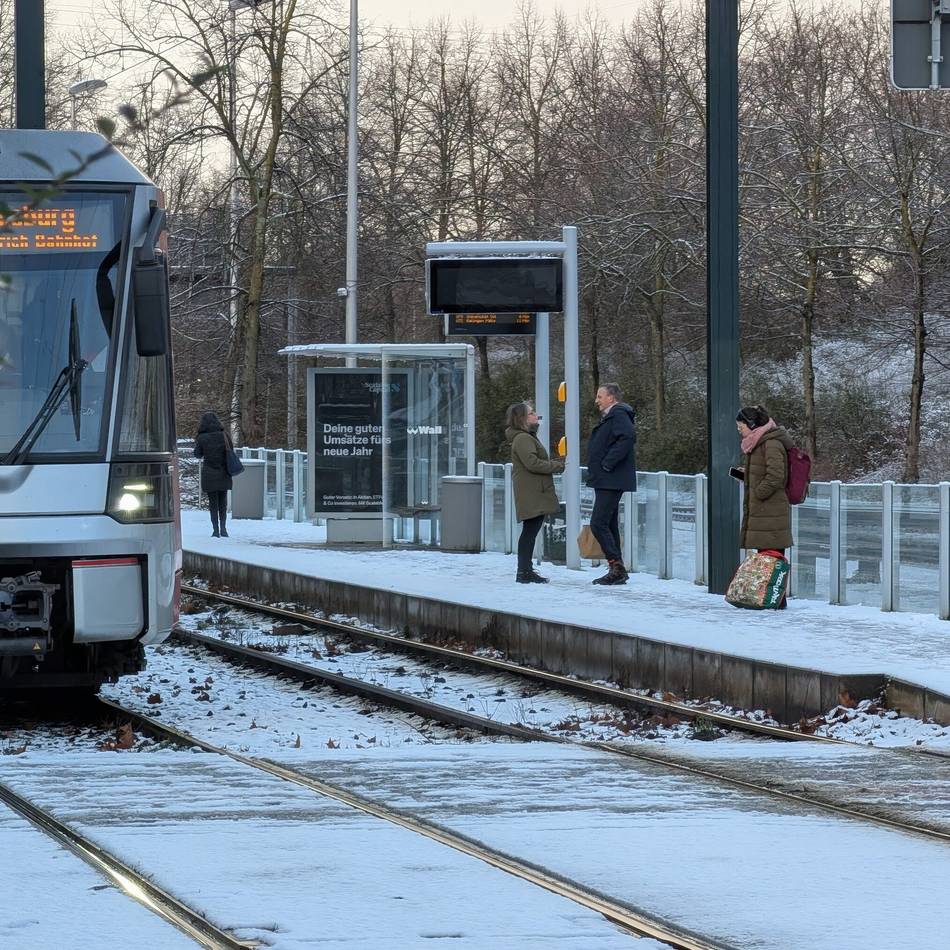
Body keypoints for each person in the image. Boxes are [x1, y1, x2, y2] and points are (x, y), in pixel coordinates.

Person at [735, 405, 794, 607]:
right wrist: (747, 476)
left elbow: (776, 476)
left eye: (741, 426)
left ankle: (776, 600)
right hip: (765, 512)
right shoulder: (759, 443)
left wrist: (758, 492)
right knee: (766, 557)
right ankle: (769, 599)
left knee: (772, 556)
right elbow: (766, 473)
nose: (739, 430)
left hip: (771, 511)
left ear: (752, 425)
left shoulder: (771, 444)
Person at [505, 402, 564, 583]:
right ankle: (524, 571)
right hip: (531, 491)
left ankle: (525, 570)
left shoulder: (526, 437)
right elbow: (532, 463)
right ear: (522, 418)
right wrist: (557, 465)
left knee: (530, 531)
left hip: (532, 490)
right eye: (531, 413)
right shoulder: (523, 439)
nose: (535, 415)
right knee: (530, 531)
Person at [587, 383, 637, 585]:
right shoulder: (613, 415)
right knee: (608, 523)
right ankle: (617, 567)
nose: (596, 400)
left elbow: (628, 437)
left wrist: (607, 463)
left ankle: (616, 566)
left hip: (610, 478)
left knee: (598, 523)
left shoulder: (618, 414)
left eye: (600, 396)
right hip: (607, 478)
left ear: (611, 398)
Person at [194, 411, 232, 538]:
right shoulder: (224, 436)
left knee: (213, 504)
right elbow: (231, 451)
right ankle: (224, 528)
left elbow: (197, 454)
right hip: (224, 472)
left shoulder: (201, 438)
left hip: (209, 474)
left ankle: (215, 530)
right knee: (223, 502)